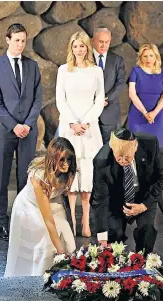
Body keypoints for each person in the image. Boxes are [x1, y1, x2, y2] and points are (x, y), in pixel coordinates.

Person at [0, 23, 43, 241]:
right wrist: (14, 125)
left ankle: (23, 220)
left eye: (23, 40)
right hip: (5, 130)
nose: (20, 44)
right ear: (7, 40)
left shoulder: (33, 65)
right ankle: (1, 221)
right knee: (2, 178)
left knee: (25, 177)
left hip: (28, 130)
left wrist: (28, 124)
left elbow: (38, 98)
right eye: (17, 40)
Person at [4, 137, 77, 277]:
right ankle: (39, 274)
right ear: (53, 158)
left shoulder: (70, 172)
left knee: (66, 233)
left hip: (53, 200)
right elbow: (48, 220)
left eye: (69, 159)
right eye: (62, 159)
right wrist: (60, 251)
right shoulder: (39, 178)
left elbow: (62, 196)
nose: (66, 164)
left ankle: (66, 274)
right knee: (46, 237)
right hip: (29, 207)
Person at [56, 31, 105, 238]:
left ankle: (86, 220)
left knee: (87, 171)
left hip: (89, 128)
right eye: (75, 46)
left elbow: (99, 98)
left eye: (82, 46)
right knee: (70, 172)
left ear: (87, 48)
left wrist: (86, 122)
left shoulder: (96, 71)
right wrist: (73, 123)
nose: (79, 49)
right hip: (70, 127)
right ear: (71, 48)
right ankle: (72, 221)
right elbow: (61, 99)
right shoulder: (63, 71)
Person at [91, 129, 163, 255]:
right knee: (113, 235)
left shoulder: (150, 144)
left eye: (127, 157)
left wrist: (144, 205)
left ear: (135, 147)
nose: (122, 161)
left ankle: (143, 263)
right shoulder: (101, 160)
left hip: (144, 195)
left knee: (146, 231)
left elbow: (161, 177)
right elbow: (100, 198)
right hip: (117, 197)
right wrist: (102, 238)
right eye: (118, 157)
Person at [128, 43, 163, 148]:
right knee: (137, 147)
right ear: (141, 57)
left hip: (156, 116)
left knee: (154, 148)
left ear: (156, 57)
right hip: (138, 114)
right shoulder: (135, 71)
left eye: (151, 56)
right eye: (145, 56)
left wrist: (154, 113)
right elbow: (132, 94)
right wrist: (145, 113)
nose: (148, 59)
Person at [92, 27, 126, 144]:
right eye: (101, 42)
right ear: (93, 41)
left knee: (109, 151)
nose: (104, 45)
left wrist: (105, 100)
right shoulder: (85, 59)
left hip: (109, 113)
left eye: (107, 42)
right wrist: (95, 102)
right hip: (88, 113)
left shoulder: (117, 60)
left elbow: (120, 83)